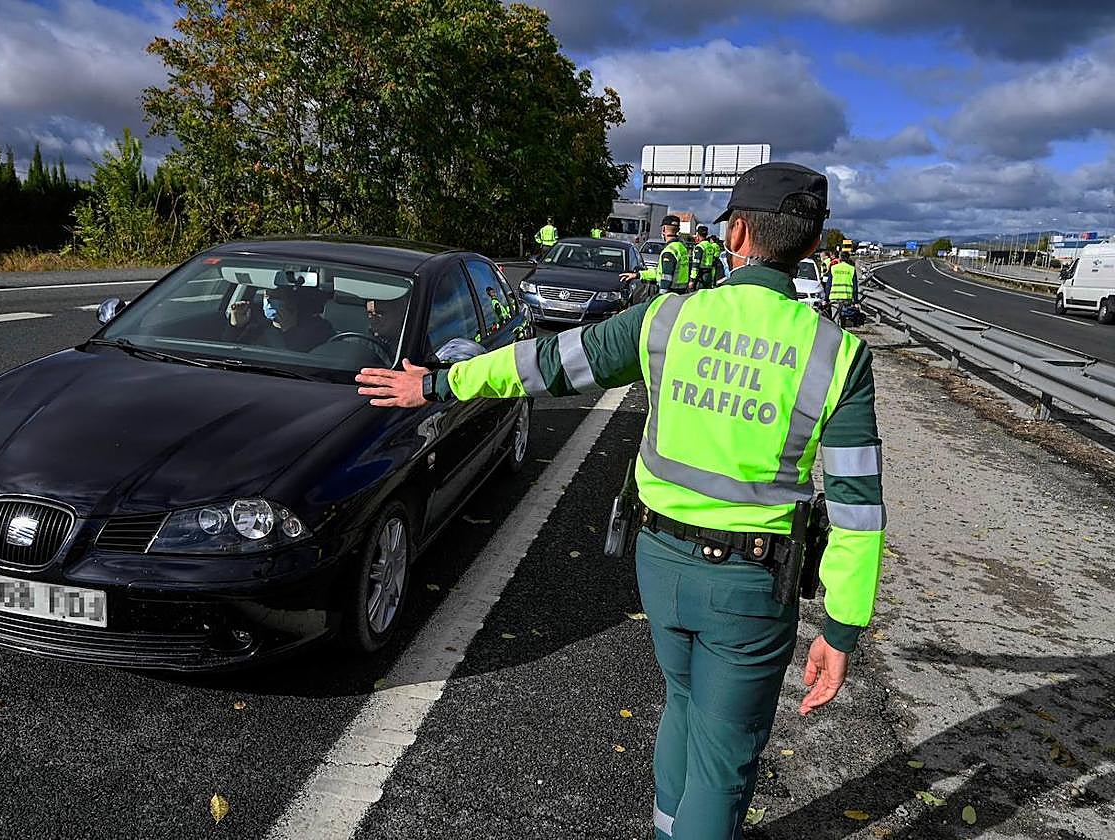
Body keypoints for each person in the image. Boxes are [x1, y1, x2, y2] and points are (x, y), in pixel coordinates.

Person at [355, 162, 886, 840]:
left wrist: (437, 385)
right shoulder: (838, 356)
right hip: (751, 589)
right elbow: (857, 510)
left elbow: (548, 364)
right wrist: (842, 628)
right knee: (724, 757)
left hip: (659, 564)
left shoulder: (667, 320)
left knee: (682, 705)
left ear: (737, 235)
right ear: (812, 246)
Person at [225, 279, 333, 352]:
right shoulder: (257, 327)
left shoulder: (319, 328)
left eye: (275, 297)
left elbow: (301, 363)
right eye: (266, 297)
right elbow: (229, 353)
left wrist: (290, 330)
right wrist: (235, 327)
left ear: (291, 301)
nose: (268, 302)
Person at [621, 214, 690, 295]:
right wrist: (637, 275)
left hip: (670, 295)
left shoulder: (669, 251)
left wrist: (661, 297)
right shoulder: (682, 248)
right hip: (681, 293)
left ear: (663, 229)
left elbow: (666, 278)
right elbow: (658, 273)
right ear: (678, 229)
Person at [691, 225, 720, 291]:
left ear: (698, 234)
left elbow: (696, 264)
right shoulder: (711, 246)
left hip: (701, 275)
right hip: (709, 273)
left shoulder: (700, 247)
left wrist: (692, 279)